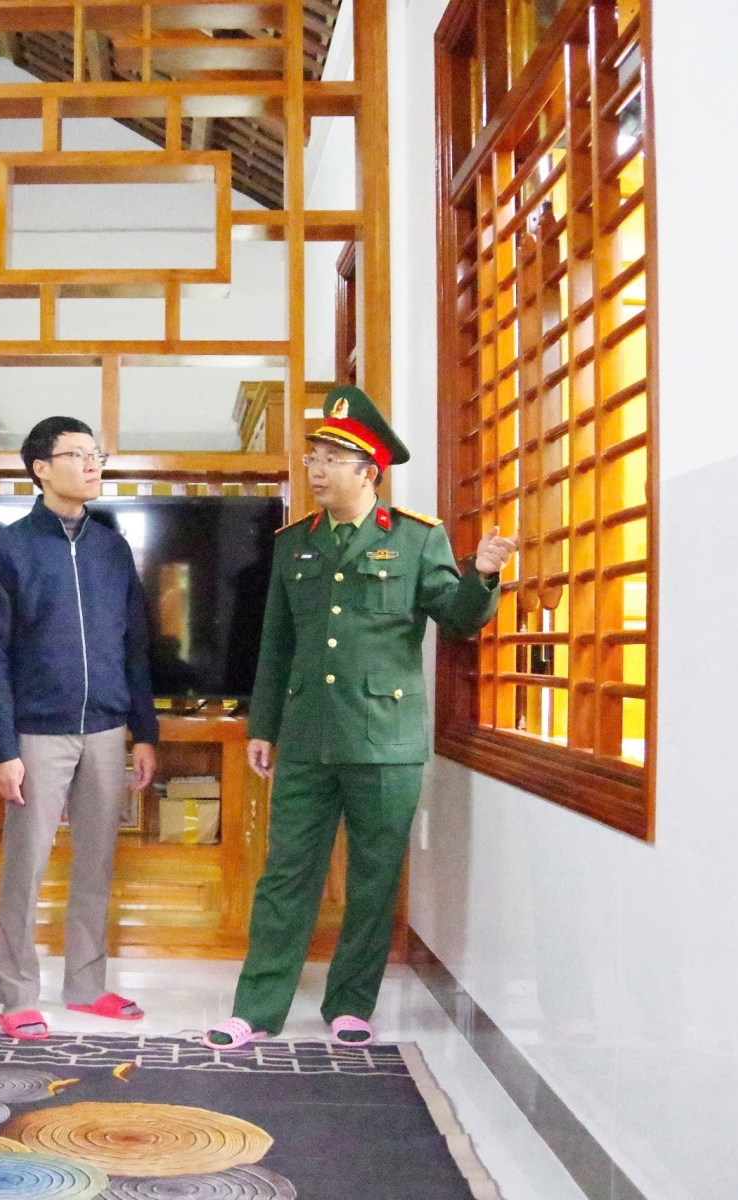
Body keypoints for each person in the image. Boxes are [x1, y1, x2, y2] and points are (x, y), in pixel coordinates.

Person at [204, 386, 518, 1051]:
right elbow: (277, 644)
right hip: (307, 736)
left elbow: (458, 618)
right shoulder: (294, 544)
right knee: (286, 876)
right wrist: (263, 725)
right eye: (313, 457)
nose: (316, 470)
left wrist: (483, 575)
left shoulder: (415, 538)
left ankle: (350, 1004)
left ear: (368, 470)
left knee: (373, 880)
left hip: (386, 740)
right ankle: (256, 1008)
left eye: (330, 459)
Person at [0, 416, 158, 1040]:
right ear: (41, 468)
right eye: (76, 454)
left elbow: (135, 647)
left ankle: (86, 986)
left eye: (94, 454)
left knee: (96, 865)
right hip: (36, 733)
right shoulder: (7, 550)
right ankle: (18, 995)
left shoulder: (112, 548)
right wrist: (3, 749)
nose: (91, 464)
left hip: (106, 729)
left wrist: (145, 731)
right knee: (25, 868)